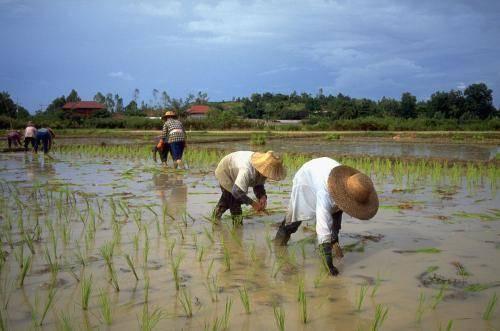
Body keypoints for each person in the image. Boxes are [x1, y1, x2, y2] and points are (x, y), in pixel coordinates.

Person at [274, 157, 378, 276]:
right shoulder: (325, 195)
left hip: (323, 170)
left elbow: (338, 211)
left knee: (336, 214)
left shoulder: (352, 184)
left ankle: (334, 240)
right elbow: (323, 228)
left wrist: (334, 235)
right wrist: (329, 265)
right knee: (295, 218)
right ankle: (279, 244)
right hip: (306, 178)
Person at [213, 150, 286, 225]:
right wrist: (253, 204)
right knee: (235, 205)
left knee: (227, 200)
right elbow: (236, 192)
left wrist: (262, 196)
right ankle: (237, 229)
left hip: (235, 168)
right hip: (226, 172)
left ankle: (215, 219)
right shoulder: (246, 171)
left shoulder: (262, 170)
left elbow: (258, 183)